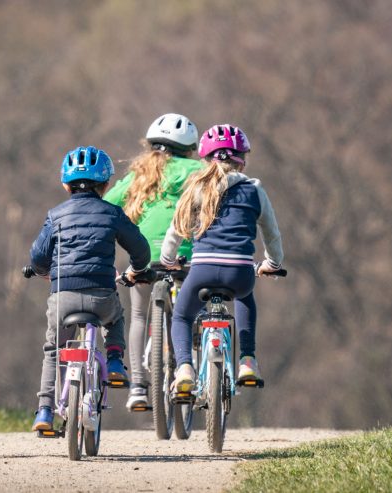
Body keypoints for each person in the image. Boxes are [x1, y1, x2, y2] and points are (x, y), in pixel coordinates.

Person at [28, 146, 151, 431]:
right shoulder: (112, 213)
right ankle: (116, 361)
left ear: (64, 183)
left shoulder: (55, 215)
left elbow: (37, 257)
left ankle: (45, 411)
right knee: (117, 317)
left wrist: (44, 272)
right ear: (106, 184)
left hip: (63, 297)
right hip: (101, 295)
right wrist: (137, 269)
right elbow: (141, 249)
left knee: (53, 350)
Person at [160, 124, 283, 393]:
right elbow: (271, 235)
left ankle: (184, 369)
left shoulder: (196, 189)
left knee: (181, 316)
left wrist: (168, 259)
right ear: (243, 160)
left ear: (205, 159)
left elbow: (175, 231)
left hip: (202, 269)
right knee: (245, 297)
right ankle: (247, 360)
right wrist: (272, 264)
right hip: (239, 272)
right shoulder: (254, 190)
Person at [104, 113, 203, 411]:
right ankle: (189, 364)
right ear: (190, 148)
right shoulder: (200, 170)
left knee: (137, 315)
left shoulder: (139, 174)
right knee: (189, 315)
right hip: (185, 255)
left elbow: (106, 205)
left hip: (143, 257)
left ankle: (137, 387)